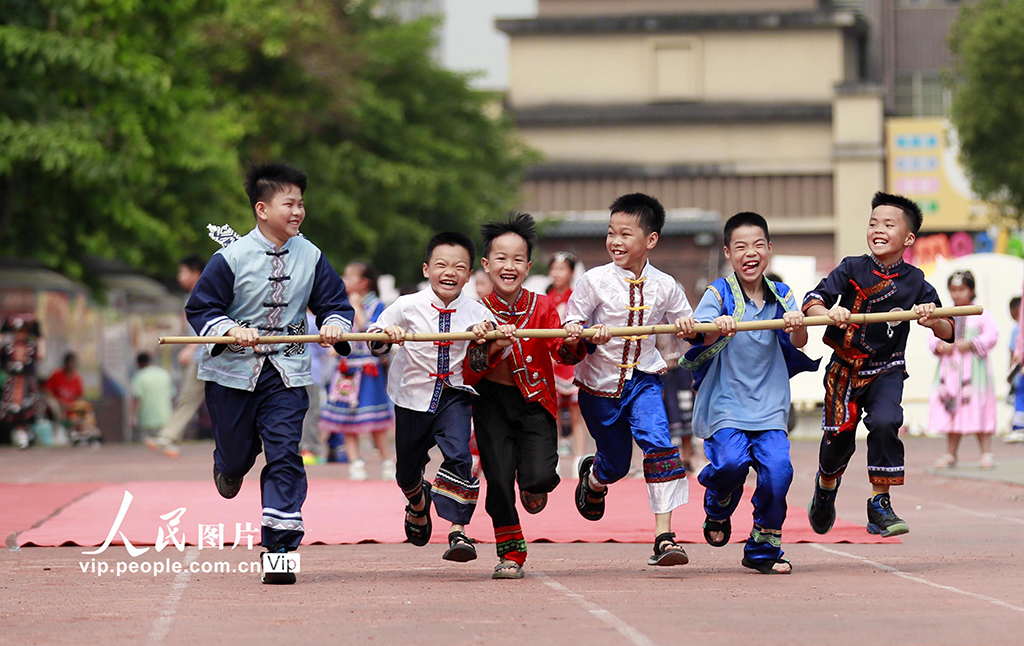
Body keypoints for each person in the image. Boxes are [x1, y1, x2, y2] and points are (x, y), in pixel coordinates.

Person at [185, 163, 353, 584]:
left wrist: (334, 323)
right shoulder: (230, 258)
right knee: (237, 454)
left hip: (287, 372)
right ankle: (228, 465)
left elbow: (335, 302)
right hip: (231, 375)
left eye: (301, 204)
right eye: (288, 204)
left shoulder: (312, 255)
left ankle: (279, 551)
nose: (297, 212)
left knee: (284, 454)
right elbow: (202, 308)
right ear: (262, 208)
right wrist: (228, 330)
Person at [804, 191, 954, 538]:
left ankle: (879, 503)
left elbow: (948, 329)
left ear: (909, 237)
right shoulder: (852, 267)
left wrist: (932, 320)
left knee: (886, 421)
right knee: (837, 441)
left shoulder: (915, 280)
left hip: (886, 369)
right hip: (844, 369)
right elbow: (813, 302)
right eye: (873, 223)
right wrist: (830, 313)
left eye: (889, 224)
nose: (878, 230)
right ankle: (826, 488)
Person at [562, 193, 697, 567]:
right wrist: (587, 333)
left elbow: (691, 330)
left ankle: (665, 537)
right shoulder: (593, 281)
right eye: (611, 233)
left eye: (625, 234)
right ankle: (595, 479)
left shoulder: (666, 285)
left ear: (650, 240)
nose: (615, 242)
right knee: (617, 465)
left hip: (645, 380)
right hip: (598, 388)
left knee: (660, 444)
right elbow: (570, 327)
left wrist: (691, 327)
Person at [681, 212, 817, 574]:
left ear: (769, 249)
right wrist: (716, 326)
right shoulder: (718, 292)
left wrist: (797, 324)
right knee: (730, 465)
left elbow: (799, 341)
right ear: (728, 252)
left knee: (778, 473)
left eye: (758, 245)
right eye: (741, 246)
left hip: (770, 407)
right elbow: (700, 332)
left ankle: (762, 550)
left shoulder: (783, 294)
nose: (750, 253)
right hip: (726, 404)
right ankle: (719, 500)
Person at [463, 212, 586, 579]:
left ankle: (533, 483)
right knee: (498, 480)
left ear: (529, 265)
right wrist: (494, 343)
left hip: (535, 401)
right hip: (490, 404)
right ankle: (510, 550)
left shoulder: (543, 305)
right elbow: (469, 368)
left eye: (518, 259)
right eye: (501, 258)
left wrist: (573, 340)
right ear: (486, 264)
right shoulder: (474, 310)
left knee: (538, 478)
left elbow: (561, 354)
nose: (509, 266)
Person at [368, 231, 495, 563]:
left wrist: (486, 340)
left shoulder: (478, 312)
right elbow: (373, 338)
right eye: (441, 264)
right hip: (411, 397)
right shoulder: (408, 304)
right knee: (407, 472)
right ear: (427, 269)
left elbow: (488, 360)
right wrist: (386, 335)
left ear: (469, 274)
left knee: (459, 457)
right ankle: (418, 503)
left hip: (454, 395)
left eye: (458, 267)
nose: (449, 272)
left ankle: (458, 531)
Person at [319, 261, 395, 480]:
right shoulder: (340, 303)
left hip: (367, 368)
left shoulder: (377, 305)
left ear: (364, 282)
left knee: (376, 420)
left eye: (349, 277)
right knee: (345, 419)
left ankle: (387, 461)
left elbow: (371, 331)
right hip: (346, 369)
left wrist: (357, 308)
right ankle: (355, 462)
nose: (344, 280)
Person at [931, 270, 999, 469]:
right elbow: (934, 334)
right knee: (952, 410)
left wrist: (971, 343)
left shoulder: (981, 313)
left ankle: (986, 453)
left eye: (962, 289)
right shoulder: (945, 313)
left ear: (971, 290)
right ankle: (951, 453)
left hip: (974, 373)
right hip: (950, 372)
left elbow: (992, 335)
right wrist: (940, 346)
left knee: (980, 408)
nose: (957, 294)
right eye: (953, 290)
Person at [146, 256, 207, 458]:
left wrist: (191, 348)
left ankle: (168, 437)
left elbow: (209, 325)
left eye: (183, 272)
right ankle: (168, 438)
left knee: (190, 397)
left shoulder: (206, 292)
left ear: (195, 273)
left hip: (208, 356)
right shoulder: (192, 297)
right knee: (189, 397)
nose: (179, 277)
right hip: (203, 356)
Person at [546, 251, 589, 473]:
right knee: (550, 412)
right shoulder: (545, 298)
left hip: (570, 361)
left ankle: (578, 459)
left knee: (576, 412)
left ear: (571, 272)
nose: (557, 273)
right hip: (550, 361)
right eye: (554, 268)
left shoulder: (577, 297)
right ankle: (550, 459)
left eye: (562, 269)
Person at [1, 315, 44, 449]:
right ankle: (18, 434)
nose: (20, 335)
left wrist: (39, 336)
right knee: (11, 411)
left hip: (27, 384)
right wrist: (2, 332)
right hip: (12, 384)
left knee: (27, 410)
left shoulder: (31, 347)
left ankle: (25, 433)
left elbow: (42, 356)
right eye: (17, 331)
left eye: (23, 331)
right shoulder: (8, 347)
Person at [131, 353, 174, 441]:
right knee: (163, 444)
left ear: (139, 363)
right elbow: (172, 395)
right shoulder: (164, 374)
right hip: (165, 417)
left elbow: (136, 398)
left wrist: (133, 416)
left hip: (146, 419)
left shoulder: (139, 376)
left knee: (146, 448)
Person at [1006, 296, 1024, 443]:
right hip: (1019, 370)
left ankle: (1018, 427)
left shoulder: (1016, 330)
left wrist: (1010, 371)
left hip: (1019, 370)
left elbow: (1013, 352)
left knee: (1019, 397)